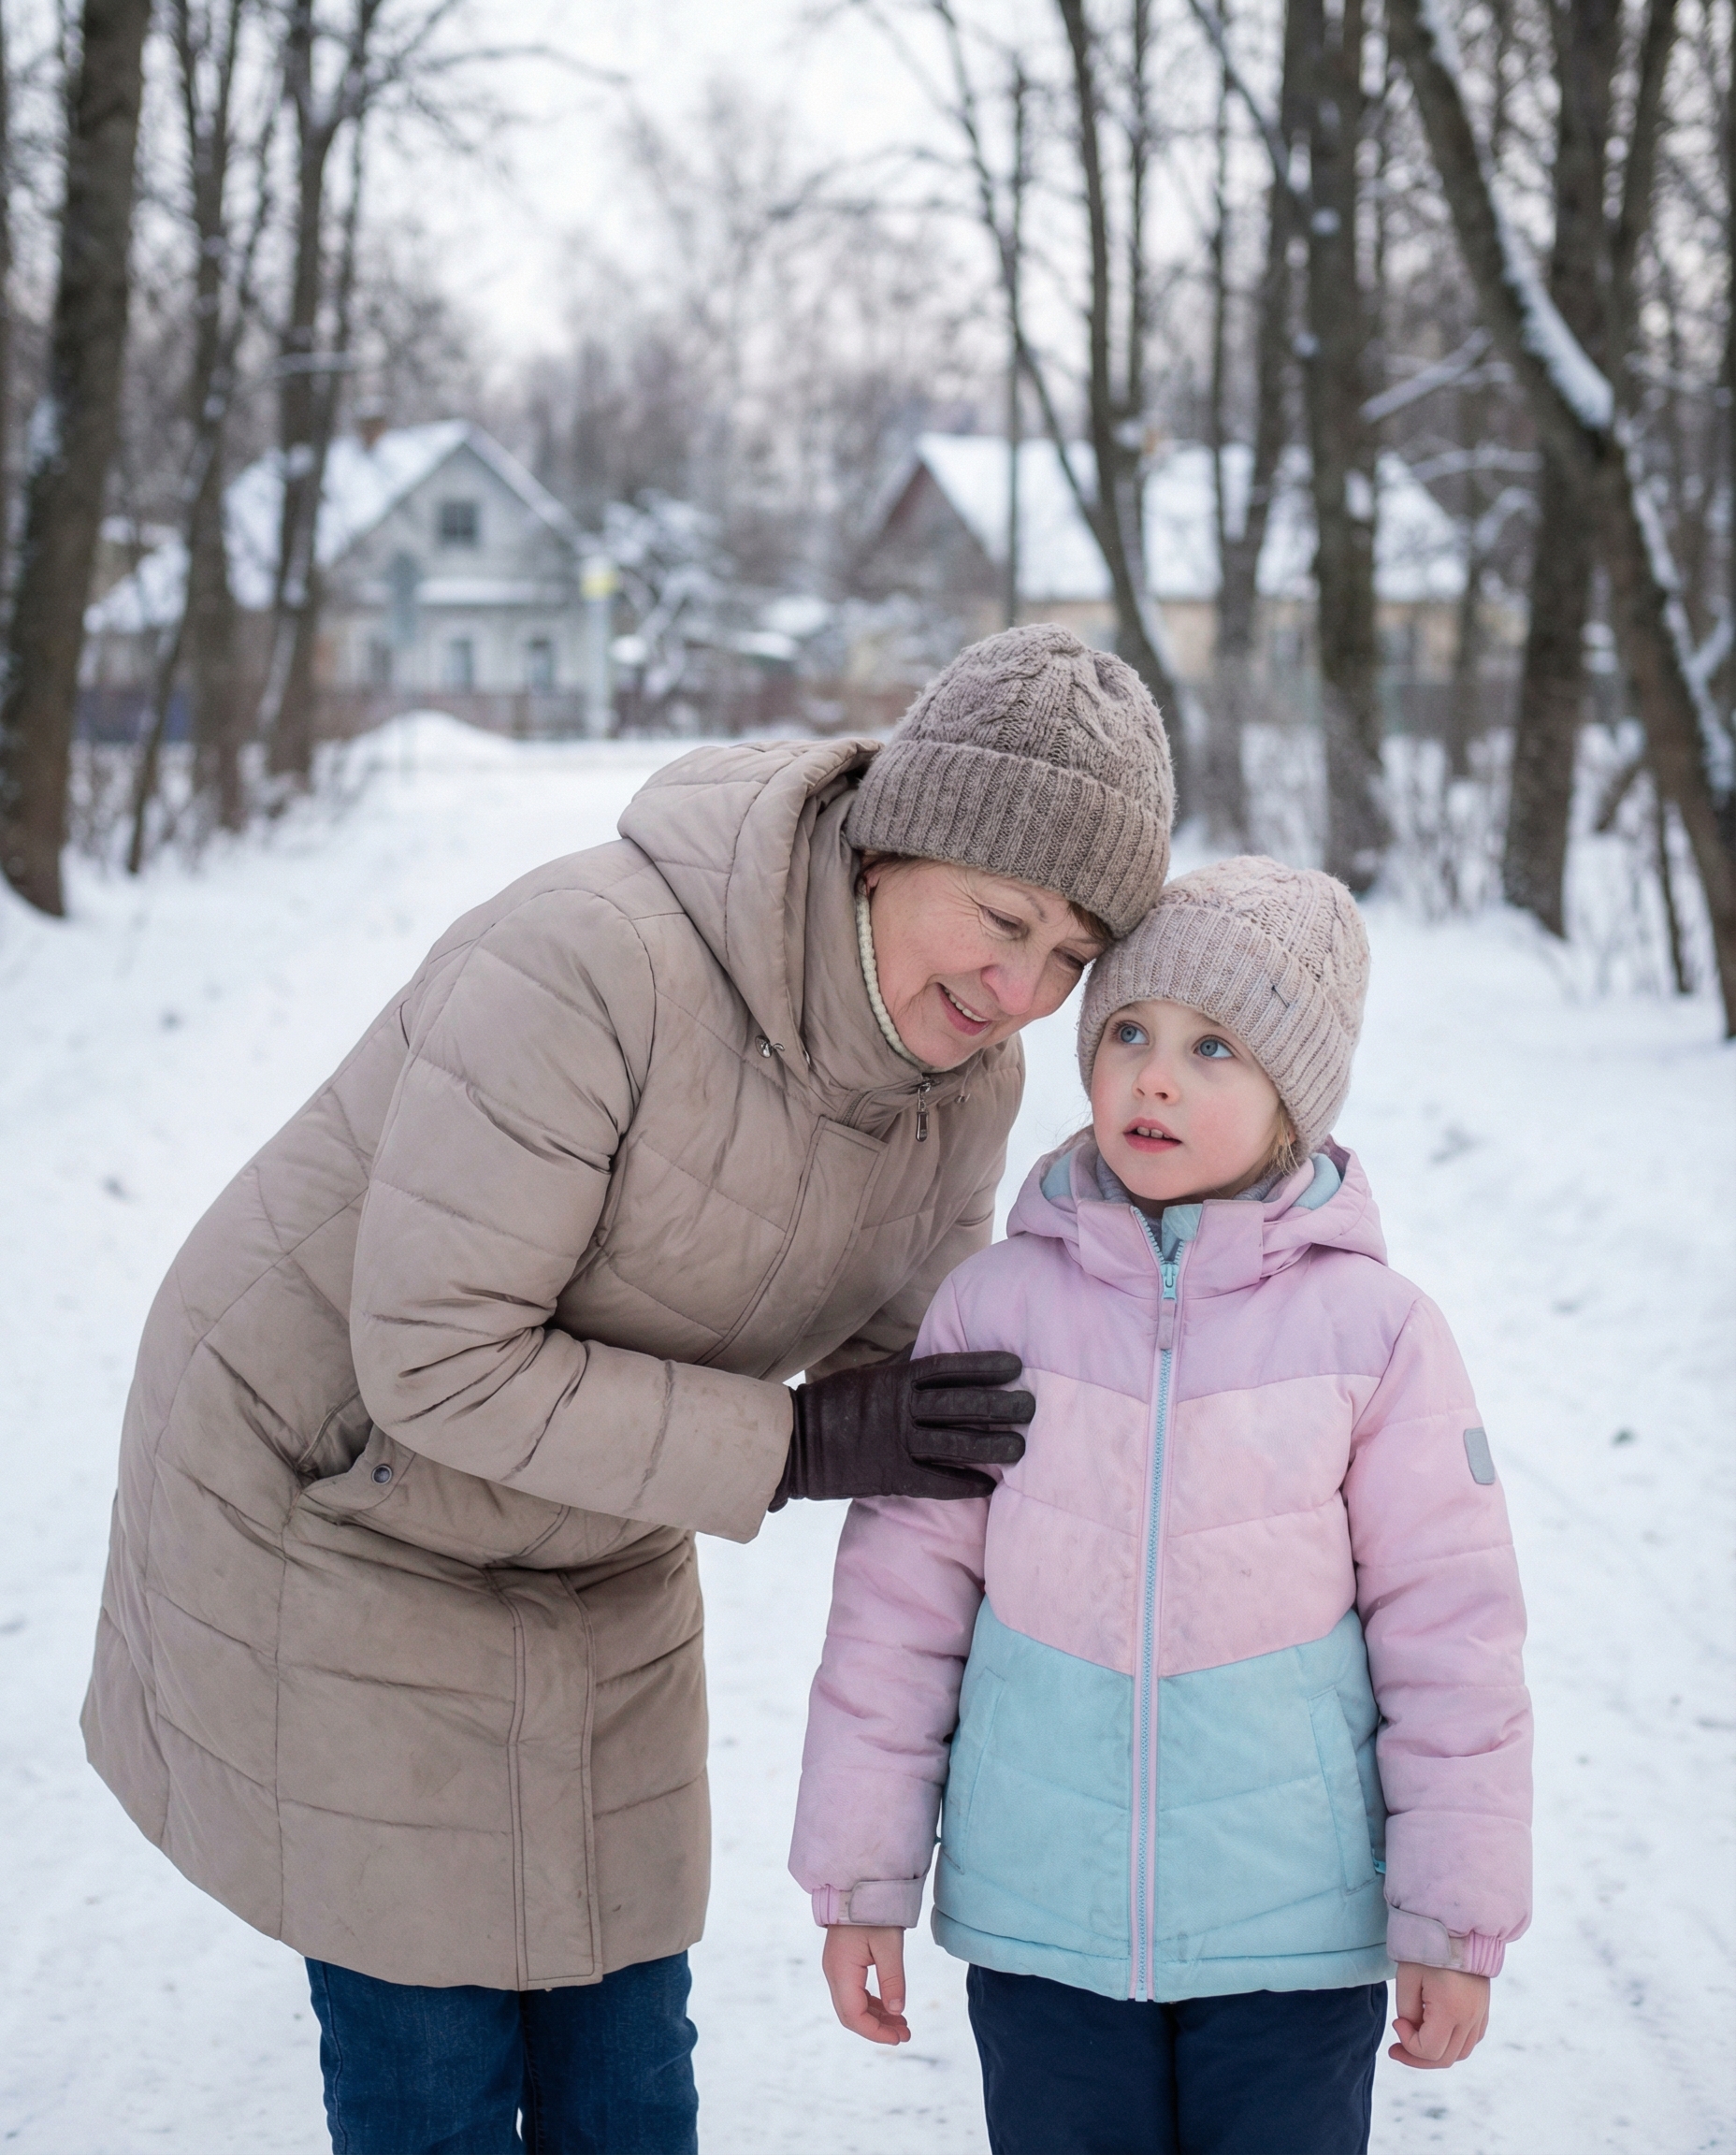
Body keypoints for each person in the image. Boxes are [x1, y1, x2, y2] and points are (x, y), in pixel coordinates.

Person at [80, 622, 1175, 2155]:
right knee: (433, 2071)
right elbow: (438, 1360)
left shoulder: (962, 1086)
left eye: (1069, 957)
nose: (1019, 990)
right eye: (999, 918)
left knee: (627, 2079)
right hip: (334, 1510)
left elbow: (910, 1379)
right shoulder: (595, 962)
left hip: (594, 1525)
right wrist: (791, 1442)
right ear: (891, 843)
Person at [791, 856, 1532, 2155]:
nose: (1156, 1075)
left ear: (1295, 1097)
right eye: (1127, 1030)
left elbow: (1454, 1641)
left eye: (1214, 1048)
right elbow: (894, 1622)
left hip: (1293, 1940)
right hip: (1047, 1932)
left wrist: (1452, 1918)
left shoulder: (1377, 1335)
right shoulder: (993, 1310)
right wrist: (861, 1878)